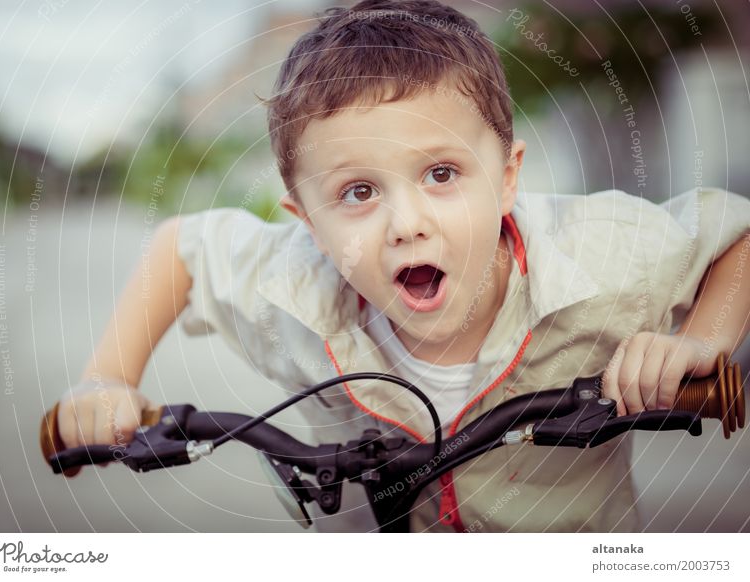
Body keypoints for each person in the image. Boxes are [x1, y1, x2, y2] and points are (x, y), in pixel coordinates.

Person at [56, 0, 750, 532]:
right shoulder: (292, 290)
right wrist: (105, 380)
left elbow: (736, 236)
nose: (406, 222)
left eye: (442, 173)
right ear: (309, 225)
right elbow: (180, 248)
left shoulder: (601, 256)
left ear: (507, 180)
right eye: (357, 193)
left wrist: (703, 340)